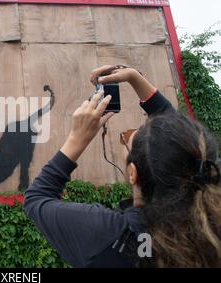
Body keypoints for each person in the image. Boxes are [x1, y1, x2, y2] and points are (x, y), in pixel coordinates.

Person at [23, 65, 221, 267]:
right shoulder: (212, 225)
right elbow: (181, 140)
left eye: (127, 138)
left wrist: (77, 138)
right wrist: (135, 78)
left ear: (133, 173)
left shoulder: (106, 233)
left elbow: (36, 198)